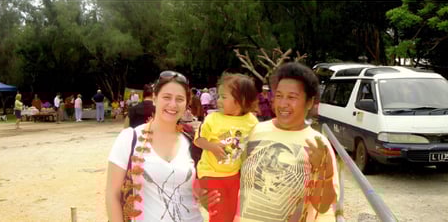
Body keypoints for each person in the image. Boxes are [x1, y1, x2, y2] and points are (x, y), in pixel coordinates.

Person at [197, 62, 339, 221]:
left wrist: (324, 174)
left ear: (310, 102)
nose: (283, 103)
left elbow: (323, 207)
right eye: (278, 96)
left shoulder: (318, 144)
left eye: (292, 97)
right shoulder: (255, 131)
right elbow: (230, 171)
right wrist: (210, 197)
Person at [106, 71, 204, 222]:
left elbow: (204, 190)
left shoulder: (192, 140)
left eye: (179, 99)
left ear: (186, 104)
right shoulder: (130, 138)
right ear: (154, 98)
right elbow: (112, 194)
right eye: (166, 97)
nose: (172, 104)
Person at [194, 74, 259, 222]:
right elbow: (198, 140)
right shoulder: (213, 119)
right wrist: (212, 147)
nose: (218, 101)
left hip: (233, 174)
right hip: (211, 173)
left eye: (224, 97)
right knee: (219, 213)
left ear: (241, 100)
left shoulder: (251, 121)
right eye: (219, 96)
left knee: (231, 212)